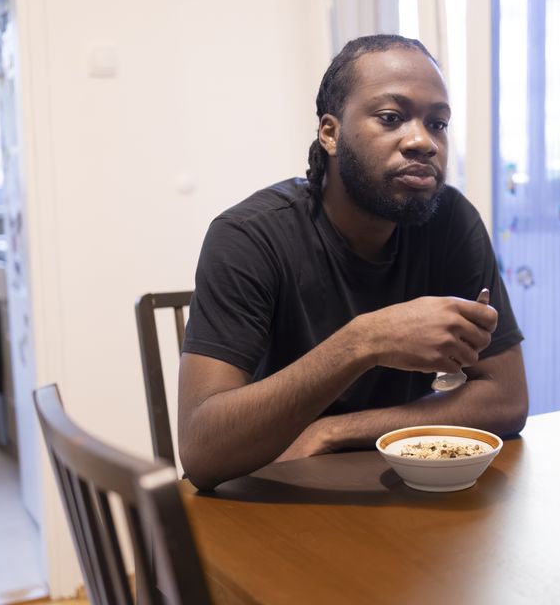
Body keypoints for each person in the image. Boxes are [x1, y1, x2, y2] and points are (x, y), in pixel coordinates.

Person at [178, 34, 528, 490]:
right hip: (275, 491)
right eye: (391, 117)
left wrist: (333, 431)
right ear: (331, 133)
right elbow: (203, 450)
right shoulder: (249, 237)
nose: (423, 141)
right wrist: (364, 340)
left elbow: (506, 399)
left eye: (437, 123)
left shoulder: (450, 222)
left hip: (397, 493)